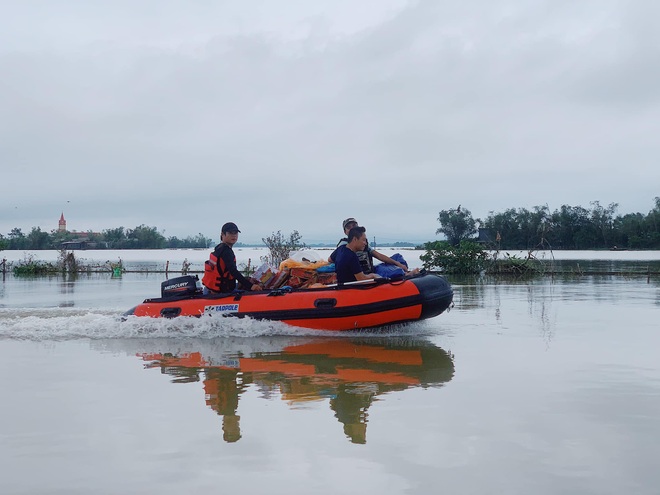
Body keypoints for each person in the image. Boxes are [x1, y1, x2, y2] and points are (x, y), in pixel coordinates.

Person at [329, 217, 415, 276]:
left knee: (397, 257)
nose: (352, 228)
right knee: (395, 271)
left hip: (371, 268)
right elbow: (332, 259)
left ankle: (404, 271)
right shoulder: (344, 247)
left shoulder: (363, 242)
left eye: (354, 226)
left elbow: (378, 255)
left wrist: (397, 263)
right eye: (348, 227)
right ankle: (405, 274)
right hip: (362, 274)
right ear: (345, 232)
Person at [202, 222, 263, 293]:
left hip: (210, 289)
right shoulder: (226, 251)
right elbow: (233, 271)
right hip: (220, 293)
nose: (234, 236)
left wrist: (247, 280)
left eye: (235, 233)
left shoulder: (219, 248)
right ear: (222, 234)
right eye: (230, 233)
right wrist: (251, 286)